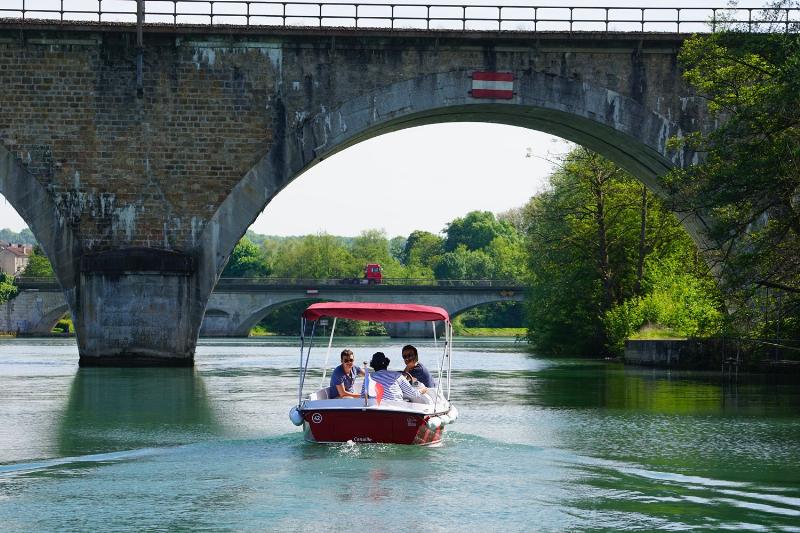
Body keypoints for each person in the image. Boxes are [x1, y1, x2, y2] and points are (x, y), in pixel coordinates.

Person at [363, 351, 428, 402]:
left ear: (373, 365)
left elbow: (363, 396)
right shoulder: (397, 375)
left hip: (375, 409)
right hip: (396, 408)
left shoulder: (368, 377)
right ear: (386, 363)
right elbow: (413, 394)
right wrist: (423, 390)